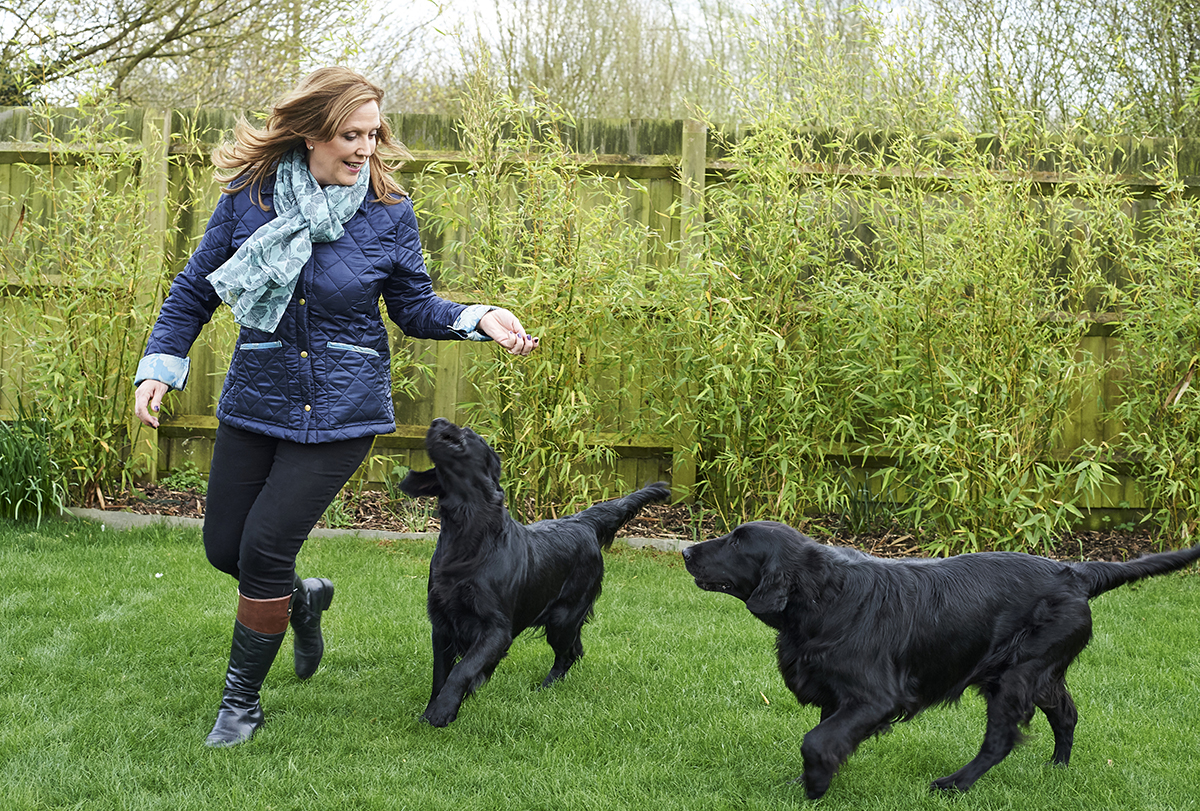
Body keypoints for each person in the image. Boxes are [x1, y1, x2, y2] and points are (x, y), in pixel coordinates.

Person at [132, 67, 538, 748]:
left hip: (342, 413)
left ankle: (240, 705)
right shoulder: (249, 199)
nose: (365, 148)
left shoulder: (388, 211)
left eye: (373, 134)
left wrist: (479, 315)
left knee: (263, 549)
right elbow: (195, 289)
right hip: (256, 398)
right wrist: (161, 366)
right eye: (351, 135)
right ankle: (302, 598)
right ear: (311, 133)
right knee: (223, 547)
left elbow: (412, 306)